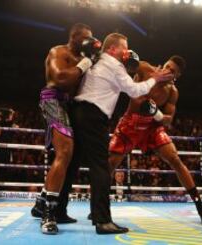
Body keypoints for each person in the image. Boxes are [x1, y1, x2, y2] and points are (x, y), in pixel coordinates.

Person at [70, 32, 174, 234]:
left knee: (73, 162)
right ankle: (102, 221)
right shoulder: (114, 65)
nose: (127, 52)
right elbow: (135, 91)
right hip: (93, 115)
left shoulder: (99, 60)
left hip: (80, 112)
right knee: (101, 167)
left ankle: (56, 210)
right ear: (112, 49)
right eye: (124, 48)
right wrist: (155, 78)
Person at [108, 56, 202, 225]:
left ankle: (200, 206)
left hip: (152, 126)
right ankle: (99, 207)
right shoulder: (145, 69)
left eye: (172, 71)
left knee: (175, 159)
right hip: (130, 123)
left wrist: (155, 113)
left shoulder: (172, 92)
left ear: (176, 76)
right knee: (110, 163)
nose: (167, 70)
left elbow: (168, 120)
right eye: (167, 66)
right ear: (163, 63)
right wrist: (128, 58)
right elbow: (126, 75)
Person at [31, 23, 101, 235]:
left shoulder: (84, 59)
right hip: (53, 99)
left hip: (71, 105)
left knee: (71, 156)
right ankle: (49, 214)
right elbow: (59, 78)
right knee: (65, 151)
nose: (91, 41)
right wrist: (86, 63)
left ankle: (41, 202)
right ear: (76, 37)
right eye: (88, 38)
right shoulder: (58, 51)